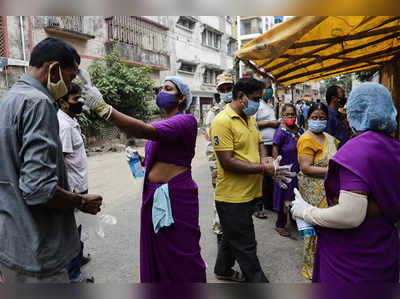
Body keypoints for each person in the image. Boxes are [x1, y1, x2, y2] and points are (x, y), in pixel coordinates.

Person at [82, 75, 206, 282]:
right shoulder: (164, 123)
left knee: (182, 254)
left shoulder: (186, 120)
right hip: (153, 194)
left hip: (175, 197)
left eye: (169, 89)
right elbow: (165, 154)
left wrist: (104, 108)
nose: (162, 92)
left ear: (182, 98)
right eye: (161, 88)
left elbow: (143, 130)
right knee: (157, 252)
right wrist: (142, 159)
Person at [0, 37, 102, 283]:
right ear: (53, 68)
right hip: (38, 250)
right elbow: (38, 189)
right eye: (69, 77)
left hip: (12, 242)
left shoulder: (9, 99)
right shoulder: (38, 103)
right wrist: (80, 201)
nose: (68, 85)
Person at [291, 82, 400, 283]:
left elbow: (350, 215)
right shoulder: (394, 148)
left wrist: (306, 211)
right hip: (384, 248)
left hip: (352, 257)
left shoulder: (356, 151)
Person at [209, 78, 294, 283]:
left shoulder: (249, 118)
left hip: (249, 192)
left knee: (232, 235)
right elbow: (227, 162)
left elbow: (258, 142)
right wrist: (263, 168)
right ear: (241, 97)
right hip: (232, 197)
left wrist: (266, 159)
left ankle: (223, 269)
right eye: (256, 98)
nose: (259, 103)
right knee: (246, 244)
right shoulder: (222, 122)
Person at [296, 102, 338, 280]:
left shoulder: (330, 138)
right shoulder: (306, 139)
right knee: (312, 228)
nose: (318, 121)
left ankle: (325, 265)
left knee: (327, 227)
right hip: (312, 190)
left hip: (328, 190)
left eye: (322, 118)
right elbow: (306, 168)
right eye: (314, 117)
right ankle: (310, 268)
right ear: (307, 118)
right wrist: (333, 172)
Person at [57, 83, 94, 283]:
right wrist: (69, 192)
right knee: (72, 230)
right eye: (75, 99)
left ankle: (78, 259)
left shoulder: (70, 120)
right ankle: (73, 275)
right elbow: (60, 160)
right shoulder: (63, 126)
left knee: (79, 226)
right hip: (73, 187)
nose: (80, 102)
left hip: (79, 183)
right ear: (63, 103)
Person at [206, 73, 234, 240]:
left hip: (239, 165)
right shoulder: (214, 113)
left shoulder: (243, 109)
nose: (226, 92)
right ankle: (220, 237)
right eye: (222, 89)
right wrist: (214, 171)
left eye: (229, 88)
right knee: (221, 204)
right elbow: (210, 147)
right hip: (222, 167)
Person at [272, 104, 304, 237]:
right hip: (285, 170)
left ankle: (294, 219)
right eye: (287, 115)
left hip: (298, 170)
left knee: (296, 195)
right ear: (282, 116)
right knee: (283, 197)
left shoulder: (300, 130)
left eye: (292, 115)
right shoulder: (281, 132)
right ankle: (280, 224)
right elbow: (275, 148)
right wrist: (276, 167)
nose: (290, 117)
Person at [254, 79, 281, 217]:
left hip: (271, 142)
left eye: (271, 88)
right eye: (267, 88)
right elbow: (253, 124)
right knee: (263, 175)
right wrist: (270, 123)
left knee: (271, 174)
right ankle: (259, 207)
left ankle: (269, 203)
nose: (269, 91)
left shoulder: (268, 104)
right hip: (262, 143)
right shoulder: (256, 104)